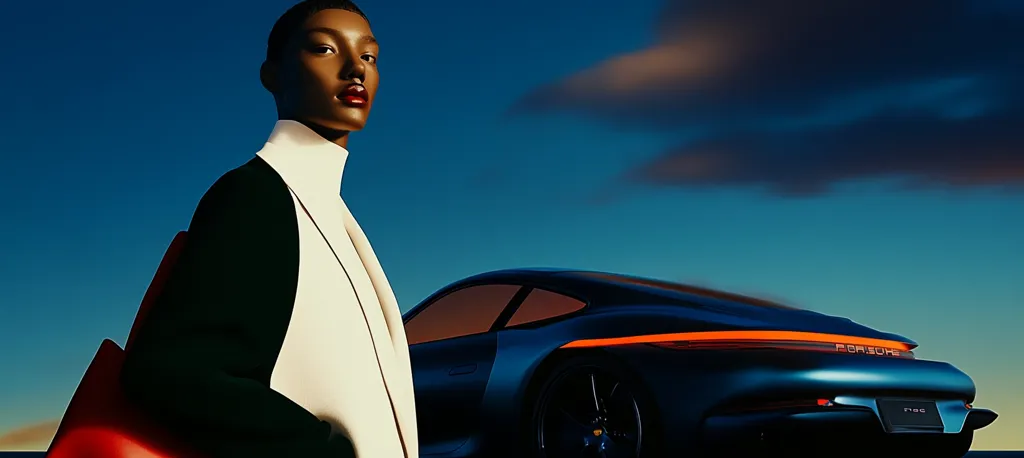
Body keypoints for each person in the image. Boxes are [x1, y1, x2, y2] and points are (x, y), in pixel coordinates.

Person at [119, 1, 418, 457]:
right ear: (272, 75)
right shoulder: (257, 197)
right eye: (324, 48)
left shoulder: (330, 212)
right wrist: (324, 449)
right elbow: (170, 372)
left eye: (369, 55)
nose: (354, 68)